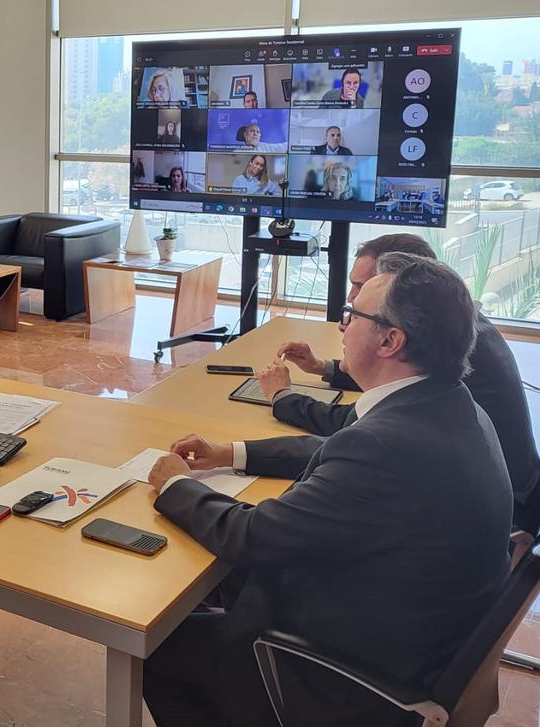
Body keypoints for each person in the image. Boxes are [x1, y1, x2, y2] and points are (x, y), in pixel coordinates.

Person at [143, 253, 513, 726]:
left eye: (353, 313)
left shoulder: (384, 446)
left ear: (390, 340)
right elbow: (337, 444)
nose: (342, 325)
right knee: (212, 590)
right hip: (414, 637)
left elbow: (252, 536)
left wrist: (172, 482)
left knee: (161, 644)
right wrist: (231, 452)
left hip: (345, 681)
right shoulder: (444, 403)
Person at [264, 233, 540, 512]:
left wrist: (283, 397)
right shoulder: (451, 328)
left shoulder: (449, 347)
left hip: (509, 511)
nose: (351, 299)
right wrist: (326, 367)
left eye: (365, 287)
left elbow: (351, 426)